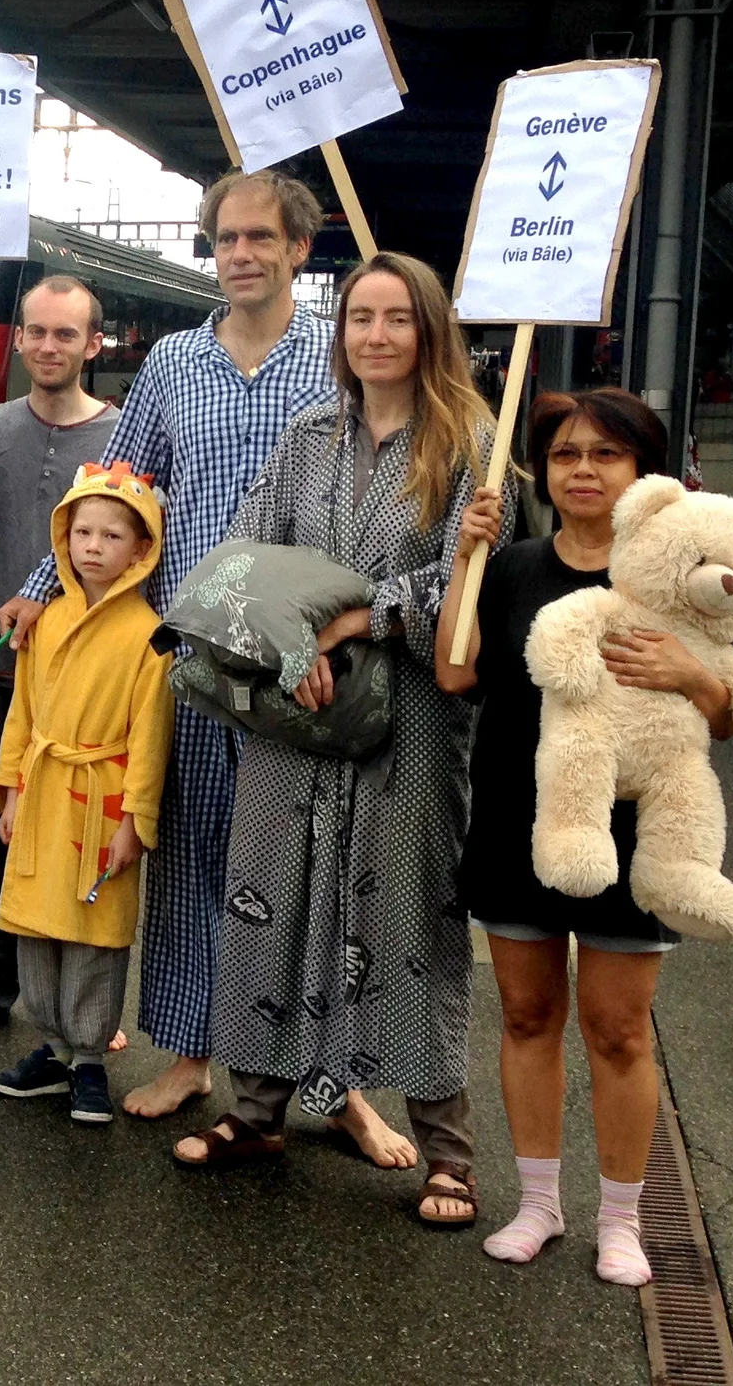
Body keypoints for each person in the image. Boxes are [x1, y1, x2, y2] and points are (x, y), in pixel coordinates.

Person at [0, 169, 339, 1126]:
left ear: (298, 249)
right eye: (226, 238)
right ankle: (190, 1052)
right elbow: (118, 477)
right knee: (188, 854)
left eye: (260, 238)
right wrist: (40, 590)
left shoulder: (333, 358)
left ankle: (331, 1084)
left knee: (307, 865)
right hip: (185, 648)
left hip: (296, 649)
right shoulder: (176, 363)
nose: (240, 255)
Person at [172, 252, 501, 1230]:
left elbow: (469, 585)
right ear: (339, 329)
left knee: (404, 925)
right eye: (359, 316)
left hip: (406, 724)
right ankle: (257, 1112)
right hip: (293, 715)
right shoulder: (306, 435)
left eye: (395, 318)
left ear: (427, 329)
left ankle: (446, 1150)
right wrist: (285, 641)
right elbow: (244, 553)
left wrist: (353, 621)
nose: (374, 335)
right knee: (268, 904)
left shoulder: (471, 445)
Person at [437, 389, 732, 1283]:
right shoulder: (515, 564)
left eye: (607, 454)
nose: (584, 471)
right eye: (565, 455)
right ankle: (536, 1205)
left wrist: (694, 675)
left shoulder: (676, 574)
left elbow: (726, 719)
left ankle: (621, 1219)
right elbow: (456, 673)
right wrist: (465, 560)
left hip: (635, 835)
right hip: (515, 822)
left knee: (618, 1030)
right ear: (543, 472)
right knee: (528, 1015)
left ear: (642, 471)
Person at [0, 275, 119, 1033]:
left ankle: (84, 1004)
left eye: (65, 334)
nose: (47, 346)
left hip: (91, 676)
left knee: (84, 833)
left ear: (93, 345)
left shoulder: (123, 436)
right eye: (36, 331)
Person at [0, 465, 174, 1125]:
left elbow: (151, 739)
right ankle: (54, 1046)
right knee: (37, 924)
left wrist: (135, 821)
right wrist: (10, 788)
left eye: (112, 535)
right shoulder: (48, 620)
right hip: (44, 790)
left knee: (95, 932)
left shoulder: (151, 636)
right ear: (63, 537)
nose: (93, 546)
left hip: (102, 799)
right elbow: (23, 713)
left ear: (141, 548)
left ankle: (90, 1057)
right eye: (83, 531)